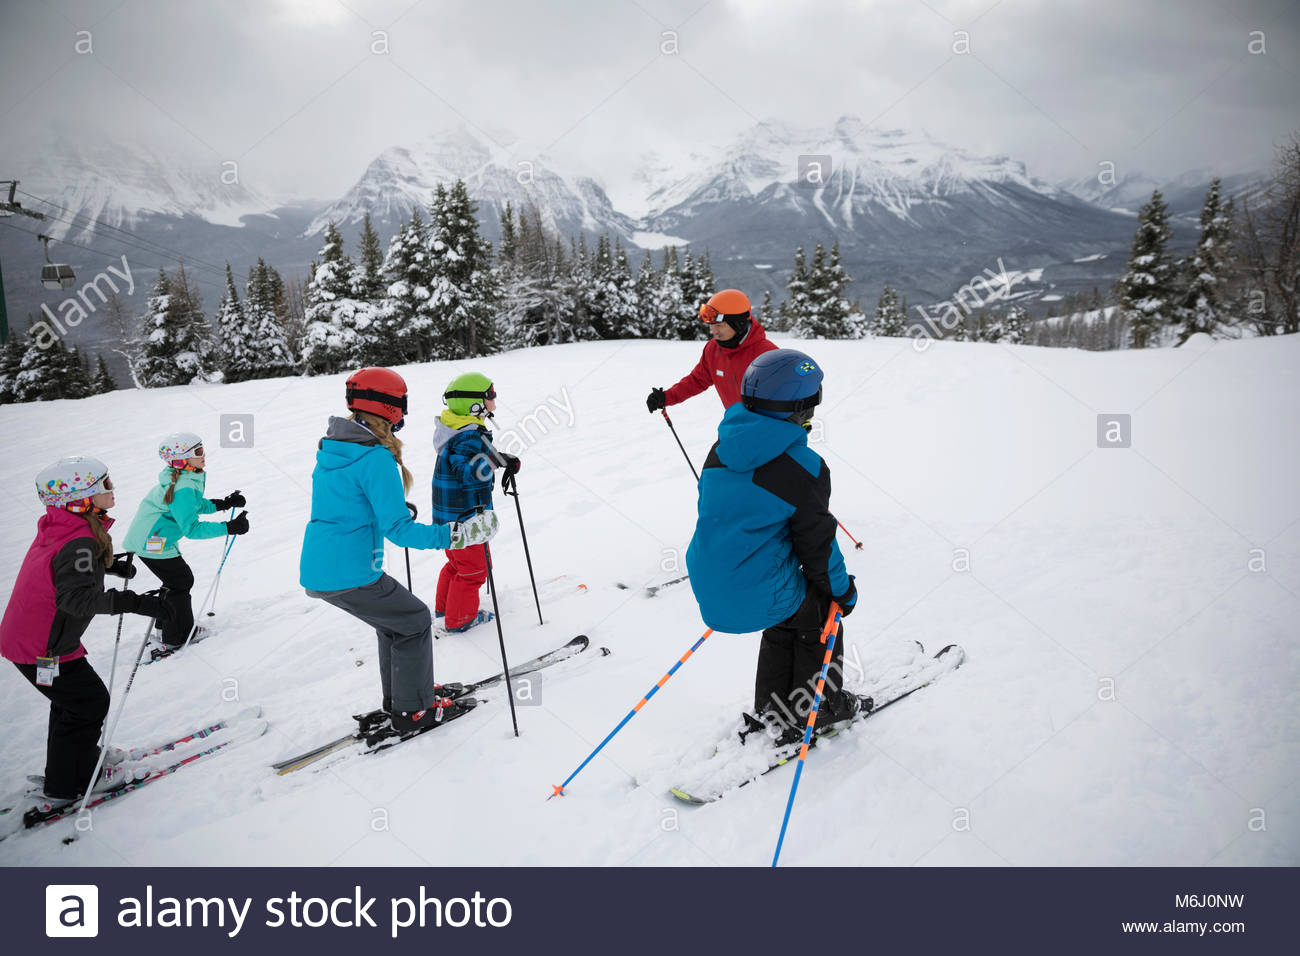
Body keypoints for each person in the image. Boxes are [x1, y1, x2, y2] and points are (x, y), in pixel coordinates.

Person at [300, 367, 499, 732]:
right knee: (414, 620)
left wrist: (384, 507)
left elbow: (344, 503)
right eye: (402, 405)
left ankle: (407, 699)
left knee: (395, 625)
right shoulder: (375, 457)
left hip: (321, 566)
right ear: (389, 407)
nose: (404, 414)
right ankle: (415, 712)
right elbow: (400, 532)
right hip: (351, 571)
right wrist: (454, 535)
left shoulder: (336, 448)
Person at [685, 349, 859, 745]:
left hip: (711, 583)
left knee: (786, 604)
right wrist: (842, 591)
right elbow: (818, 547)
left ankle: (773, 705)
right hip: (753, 590)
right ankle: (820, 709)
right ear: (800, 407)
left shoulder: (721, 449)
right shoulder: (803, 466)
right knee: (821, 608)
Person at [0, 456, 172, 805]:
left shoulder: (62, 525)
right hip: (44, 647)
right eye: (104, 485)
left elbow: (63, 571)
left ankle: (71, 767)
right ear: (80, 498)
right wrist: (136, 603)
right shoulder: (79, 539)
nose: (112, 489)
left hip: (33, 641)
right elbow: (75, 599)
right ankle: (74, 782)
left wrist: (105, 567)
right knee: (89, 704)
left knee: (72, 706)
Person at [122, 432, 249, 654]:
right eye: (198, 452)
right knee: (180, 581)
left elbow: (194, 505)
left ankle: (167, 629)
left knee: (176, 581)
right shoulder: (182, 485)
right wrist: (228, 527)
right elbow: (192, 529)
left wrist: (223, 504)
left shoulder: (184, 478)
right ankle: (175, 637)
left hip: (155, 538)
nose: (203, 455)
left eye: (202, 449)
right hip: (151, 541)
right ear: (182, 460)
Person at [431, 371, 520, 633]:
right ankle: (460, 621)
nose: (494, 399)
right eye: (489, 395)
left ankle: (445, 610)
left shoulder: (456, 430)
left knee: (457, 564)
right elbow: (466, 472)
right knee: (475, 570)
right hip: (465, 517)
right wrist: (495, 461)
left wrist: (496, 457)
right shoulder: (467, 436)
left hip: (452, 515)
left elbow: (466, 462)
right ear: (474, 404)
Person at [645, 289, 778, 414]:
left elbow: (792, 395)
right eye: (711, 325)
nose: (714, 331)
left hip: (766, 430)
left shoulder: (768, 355)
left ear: (739, 324)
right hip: (735, 425)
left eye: (719, 325)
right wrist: (666, 397)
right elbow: (697, 380)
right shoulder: (713, 349)